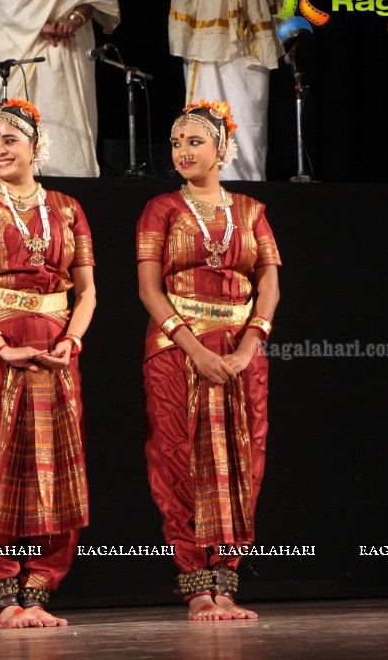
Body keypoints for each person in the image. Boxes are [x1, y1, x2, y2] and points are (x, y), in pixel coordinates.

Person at [0, 100, 96, 628]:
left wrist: (72, 343)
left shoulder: (69, 207)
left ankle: (40, 590)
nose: (0, 151)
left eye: (10, 139)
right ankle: (3, 592)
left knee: (54, 466)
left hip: (55, 351)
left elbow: (89, 291)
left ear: (35, 144)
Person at [136, 100, 281, 620]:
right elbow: (150, 291)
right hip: (178, 350)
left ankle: (227, 582)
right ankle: (196, 584)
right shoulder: (162, 209)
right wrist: (194, 349)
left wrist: (248, 348)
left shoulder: (251, 211)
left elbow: (268, 284)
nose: (182, 151)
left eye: (194, 141)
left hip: (241, 355)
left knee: (241, 462)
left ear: (222, 148)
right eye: (176, 143)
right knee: (179, 459)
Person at [0, 0, 119, 178]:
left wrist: (74, 20)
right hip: (18, 41)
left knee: (66, 124)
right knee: (17, 125)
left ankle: (67, 195)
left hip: (69, 44)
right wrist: (38, 26)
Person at [169, 0, 283, 180]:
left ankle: (247, 190)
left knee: (248, 117)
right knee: (207, 109)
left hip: (251, 6)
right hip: (207, 6)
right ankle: (209, 191)